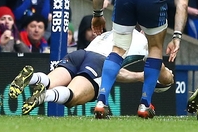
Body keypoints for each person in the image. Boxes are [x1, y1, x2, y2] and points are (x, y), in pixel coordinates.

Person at [91, 0, 189, 119]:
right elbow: (182, 4)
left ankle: (101, 101)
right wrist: (177, 36)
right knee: (155, 49)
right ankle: (145, 104)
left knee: (118, 48)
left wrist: (97, 14)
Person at [12, 29, 175, 114]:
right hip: (98, 62)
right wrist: (167, 77)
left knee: (49, 81)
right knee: (72, 97)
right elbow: (162, 75)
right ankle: (44, 96)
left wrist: (138, 77)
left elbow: (115, 72)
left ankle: (33, 78)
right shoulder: (146, 43)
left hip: (79, 55)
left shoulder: (115, 31)